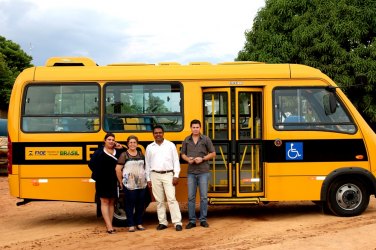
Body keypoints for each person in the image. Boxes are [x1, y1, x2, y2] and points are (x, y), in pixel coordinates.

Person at [145, 125, 183, 231]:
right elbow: (147, 164)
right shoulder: (149, 147)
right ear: (153, 134)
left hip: (168, 174)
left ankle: (177, 222)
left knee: (171, 199)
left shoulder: (170, 145)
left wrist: (176, 175)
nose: (158, 134)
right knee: (159, 201)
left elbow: (176, 161)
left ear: (163, 133)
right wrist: (148, 178)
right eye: (156, 133)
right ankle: (162, 222)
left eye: (160, 132)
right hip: (154, 175)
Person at [181, 119, 216, 229]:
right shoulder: (186, 140)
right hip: (191, 172)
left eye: (197, 127)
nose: (195, 129)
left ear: (200, 128)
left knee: (204, 197)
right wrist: (188, 159)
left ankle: (203, 220)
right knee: (191, 197)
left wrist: (203, 158)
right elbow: (182, 154)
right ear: (190, 128)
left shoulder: (205, 139)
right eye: (193, 127)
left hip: (203, 172)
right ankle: (191, 221)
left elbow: (213, 153)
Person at [88, 133, 124, 234]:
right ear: (104, 141)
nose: (111, 141)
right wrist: (99, 174)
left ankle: (111, 224)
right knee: (104, 202)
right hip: (102, 180)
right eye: (109, 139)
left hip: (114, 180)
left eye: (113, 140)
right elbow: (91, 164)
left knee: (112, 202)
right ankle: (109, 227)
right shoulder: (99, 152)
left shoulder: (118, 152)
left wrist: (121, 147)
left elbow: (125, 157)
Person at [115, 135, 147, 232]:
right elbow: (118, 169)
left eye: (134, 142)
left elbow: (145, 167)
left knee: (140, 204)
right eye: (130, 142)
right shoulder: (124, 155)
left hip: (141, 184)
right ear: (127, 144)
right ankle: (131, 224)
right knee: (130, 204)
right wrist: (121, 182)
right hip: (129, 184)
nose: (132, 144)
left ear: (137, 144)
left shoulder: (141, 154)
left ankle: (139, 223)